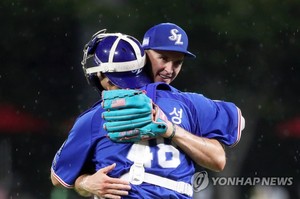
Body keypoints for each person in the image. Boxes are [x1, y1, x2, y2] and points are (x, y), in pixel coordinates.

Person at [50, 30, 244, 198]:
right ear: (144, 56)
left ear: (103, 77)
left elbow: (58, 177)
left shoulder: (95, 116)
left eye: (177, 62)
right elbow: (237, 123)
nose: (169, 70)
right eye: (163, 58)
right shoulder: (188, 103)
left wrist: (84, 183)